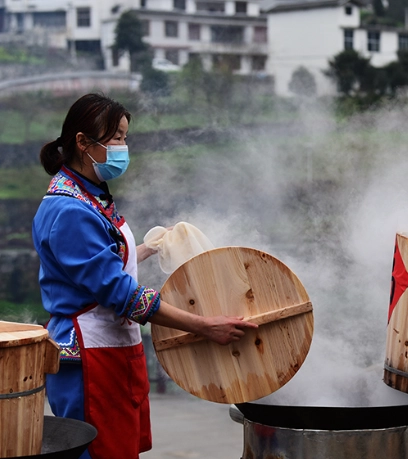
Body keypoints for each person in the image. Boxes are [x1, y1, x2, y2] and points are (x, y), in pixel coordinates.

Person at [33, 93, 258, 459]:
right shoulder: (69, 209)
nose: (124, 146)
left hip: (111, 350)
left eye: (125, 137)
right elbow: (122, 295)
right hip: (90, 360)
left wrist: (150, 248)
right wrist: (203, 325)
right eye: (117, 138)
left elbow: (98, 268)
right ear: (83, 142)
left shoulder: (89, 196)